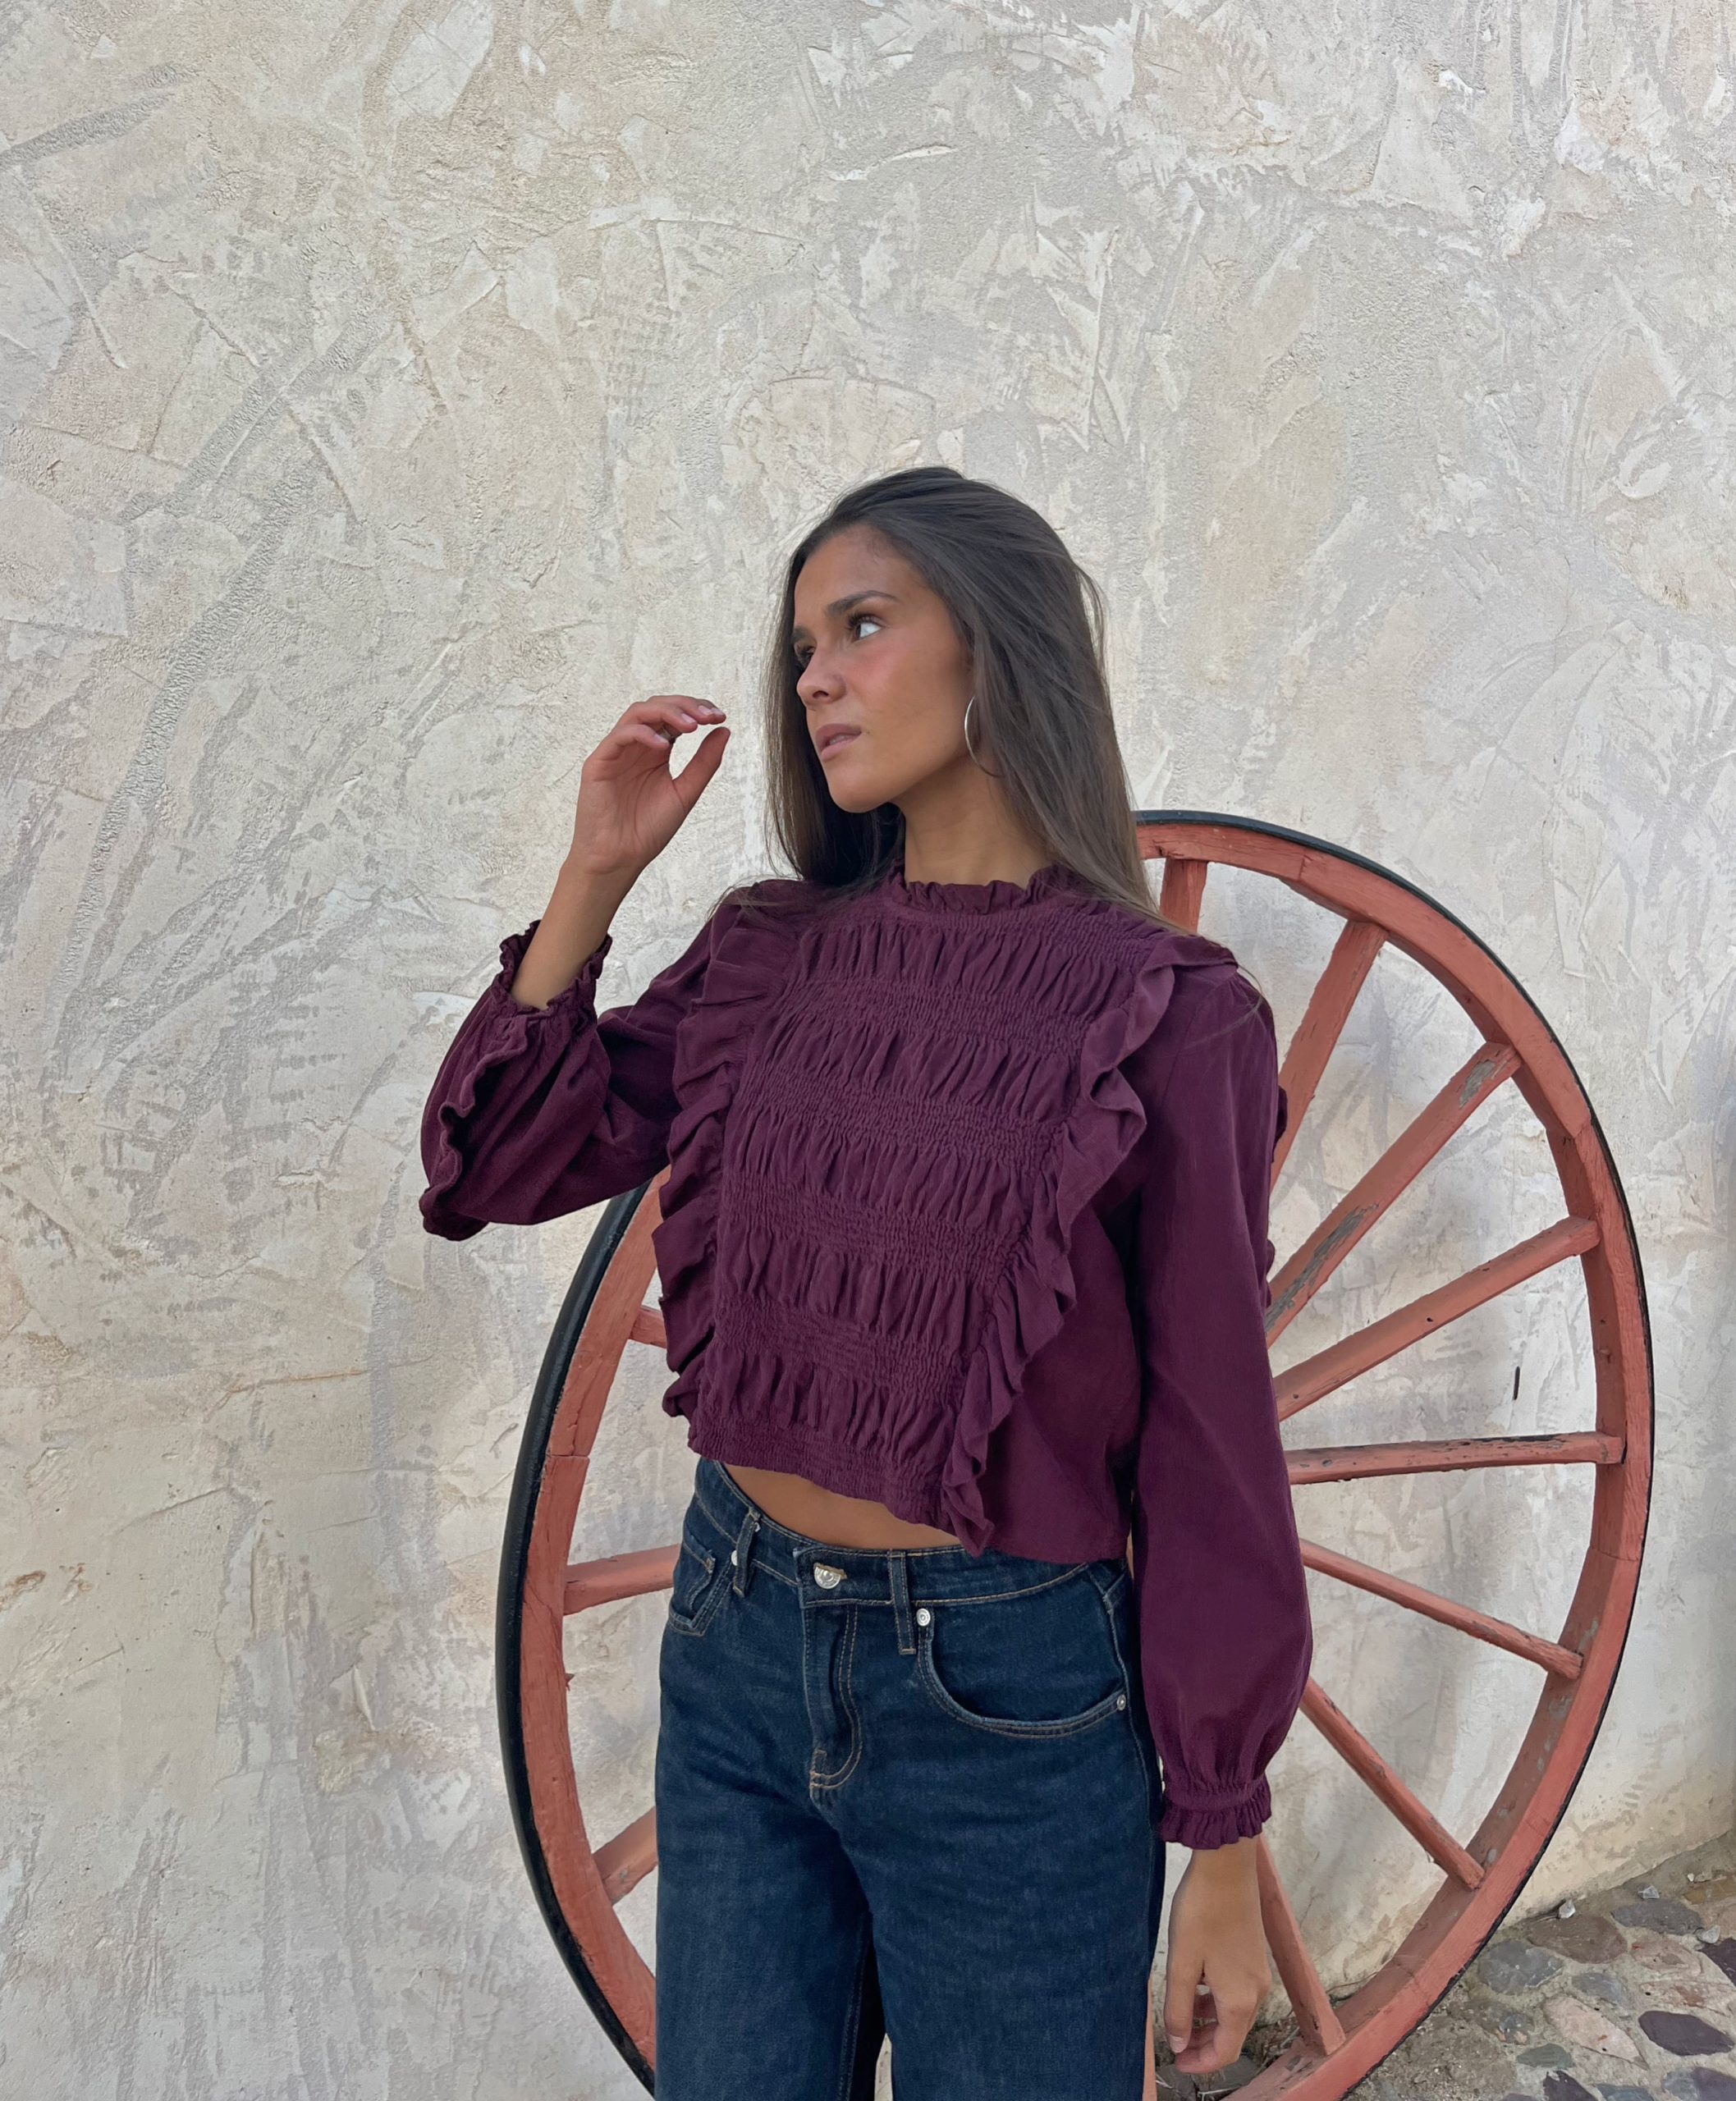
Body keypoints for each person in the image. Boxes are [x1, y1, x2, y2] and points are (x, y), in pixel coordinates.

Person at [418, 465, 1313, 2100]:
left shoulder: (1168, 1016)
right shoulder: (769, 953)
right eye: (800, 647)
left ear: (1000, 646)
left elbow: (1211, 1444)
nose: (814, 677)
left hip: (1007, 1704)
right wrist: (594, 876)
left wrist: (1224, 1834)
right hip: (732, 1641)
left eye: (863, 626)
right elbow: (496, 1171)